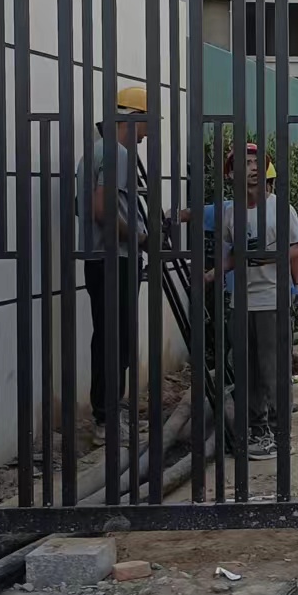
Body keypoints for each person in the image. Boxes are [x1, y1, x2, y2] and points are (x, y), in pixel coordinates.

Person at [76, 85, 190, 437]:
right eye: (148, 124)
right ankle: (107, 420)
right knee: (115, 340)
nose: (149, 133)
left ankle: (111, 414)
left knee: (112, 337)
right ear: (134, 117)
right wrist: (141, 238)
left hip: (104, 258)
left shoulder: (99, 152)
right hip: (114, 258)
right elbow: (102, 209)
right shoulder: (116, 154)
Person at [212, 143, 298, 459]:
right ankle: (257, 430)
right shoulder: (230, 212)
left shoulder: (281, 208)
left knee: (273, 372)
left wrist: (291, 281)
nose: (251, 168)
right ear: (230, 174)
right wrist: (211, 274)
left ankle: (280, 434)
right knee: (246, 372)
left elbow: (296, 248)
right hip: (240, 303)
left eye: (255, 162)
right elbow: (233, 254)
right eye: (244, 163)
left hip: (272, 300)